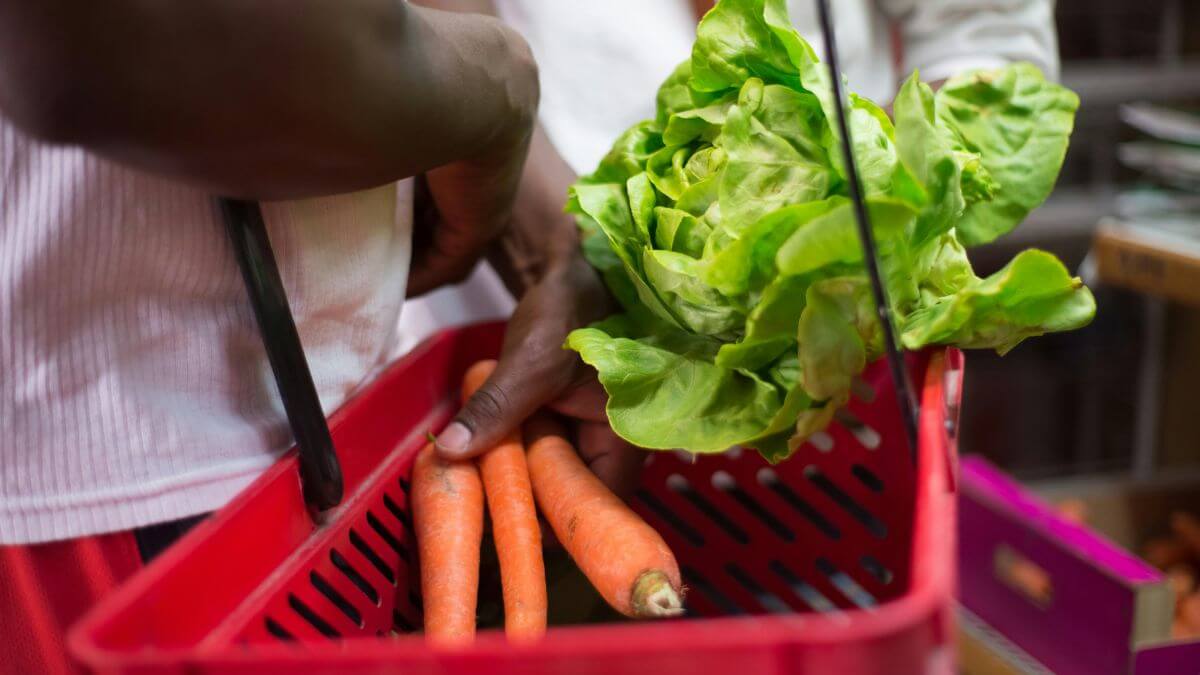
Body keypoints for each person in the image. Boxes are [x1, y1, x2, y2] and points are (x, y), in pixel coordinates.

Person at [0, 2, 603, 671]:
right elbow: (110, 42)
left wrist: (543, 224)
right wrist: (501, 88)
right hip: (102, 493)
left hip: (325, 430)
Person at [399, 0, 1062, 465]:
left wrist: (862, 229)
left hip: (843, 400)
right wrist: (553, 237)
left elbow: (987, 42)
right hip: (505, 310)